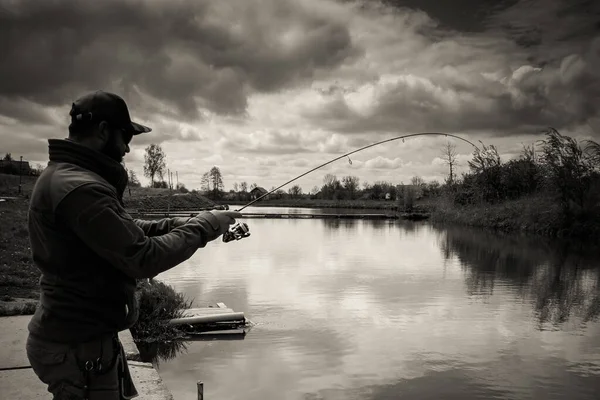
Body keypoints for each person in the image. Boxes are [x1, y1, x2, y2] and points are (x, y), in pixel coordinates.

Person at [25, 90, 242, 399]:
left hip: (79, 337)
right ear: (102, 131)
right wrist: (205, 225)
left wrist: (176, 224)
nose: (127, 147)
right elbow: (142, 256)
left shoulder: (71, 179)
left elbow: (121, 230)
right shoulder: (81, 189)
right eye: (125, 136)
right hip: (78, 347)